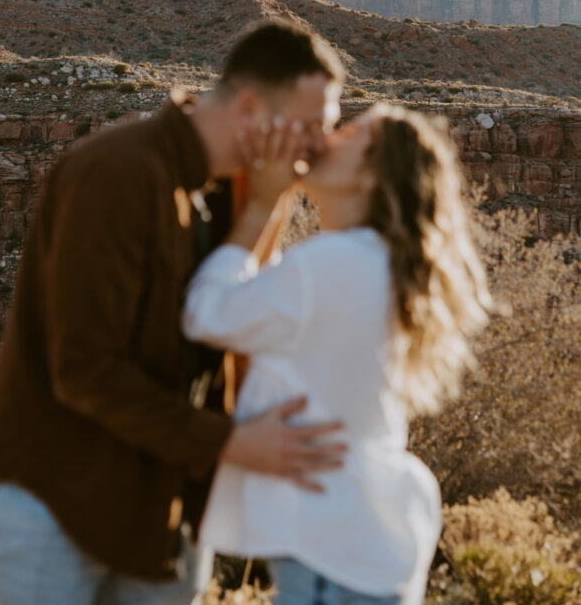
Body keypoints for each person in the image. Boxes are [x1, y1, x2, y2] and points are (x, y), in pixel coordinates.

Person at [0, 20, 348, 605]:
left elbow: (229, 319)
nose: (321, 148)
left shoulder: (232, 193)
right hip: (59, 504)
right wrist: (234, 444)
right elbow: (85, 369)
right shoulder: (117, 171)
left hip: (160, 512)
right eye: (314, 127)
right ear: (250, 108)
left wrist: (269, 203)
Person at [183, 102, 492, 605]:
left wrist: (262, 206)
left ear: (370, 175)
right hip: (358, 546)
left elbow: (207, 313)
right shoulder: (373, 262)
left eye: (351, 133)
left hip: (332, 554)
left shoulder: (333, 263)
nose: (328, 135)